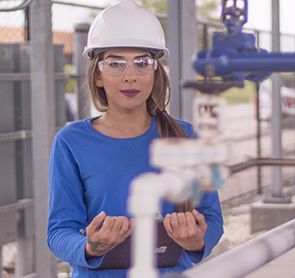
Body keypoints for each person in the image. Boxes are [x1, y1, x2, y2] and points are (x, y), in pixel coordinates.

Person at [47, 0, 224, 277]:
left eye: (142, 63)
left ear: (155, 72)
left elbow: (212, 219)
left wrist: (197, 241)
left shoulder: (190, 138)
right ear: (98, 76)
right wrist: (90, 247)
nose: (130, 76)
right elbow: (59, 231)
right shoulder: (70, 142)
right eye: (115, 63)